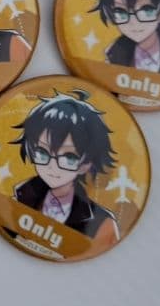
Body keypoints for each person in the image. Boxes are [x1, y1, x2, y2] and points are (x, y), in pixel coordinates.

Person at [11, 89, 120, 244]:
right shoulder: (18, 201)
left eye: (69, 157)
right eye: (42, 152)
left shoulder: (102, 225)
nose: (52, 165)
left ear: (86, 164)